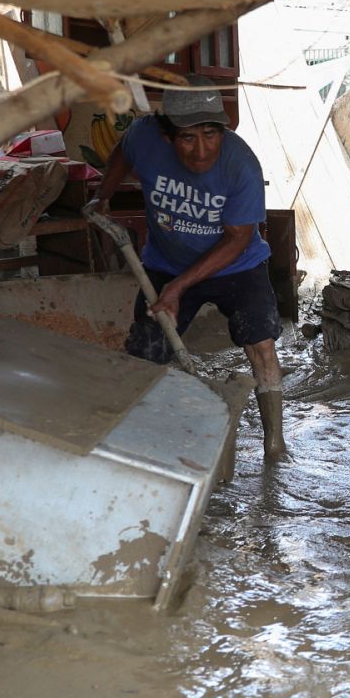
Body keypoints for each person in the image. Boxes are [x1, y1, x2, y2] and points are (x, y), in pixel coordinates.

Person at [85, 75, 287, 461]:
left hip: (237, 265)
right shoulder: (145, 136)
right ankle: (141, 442)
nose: (201, 150)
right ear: (166, 136)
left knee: (260, 343)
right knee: (146, 353)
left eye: (211, 134)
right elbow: (124, 152)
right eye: (188, 138)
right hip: (166, 262)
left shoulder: (240, 165)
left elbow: (237, 239)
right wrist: (102, 195)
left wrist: (178, 288)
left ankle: (274, 443)